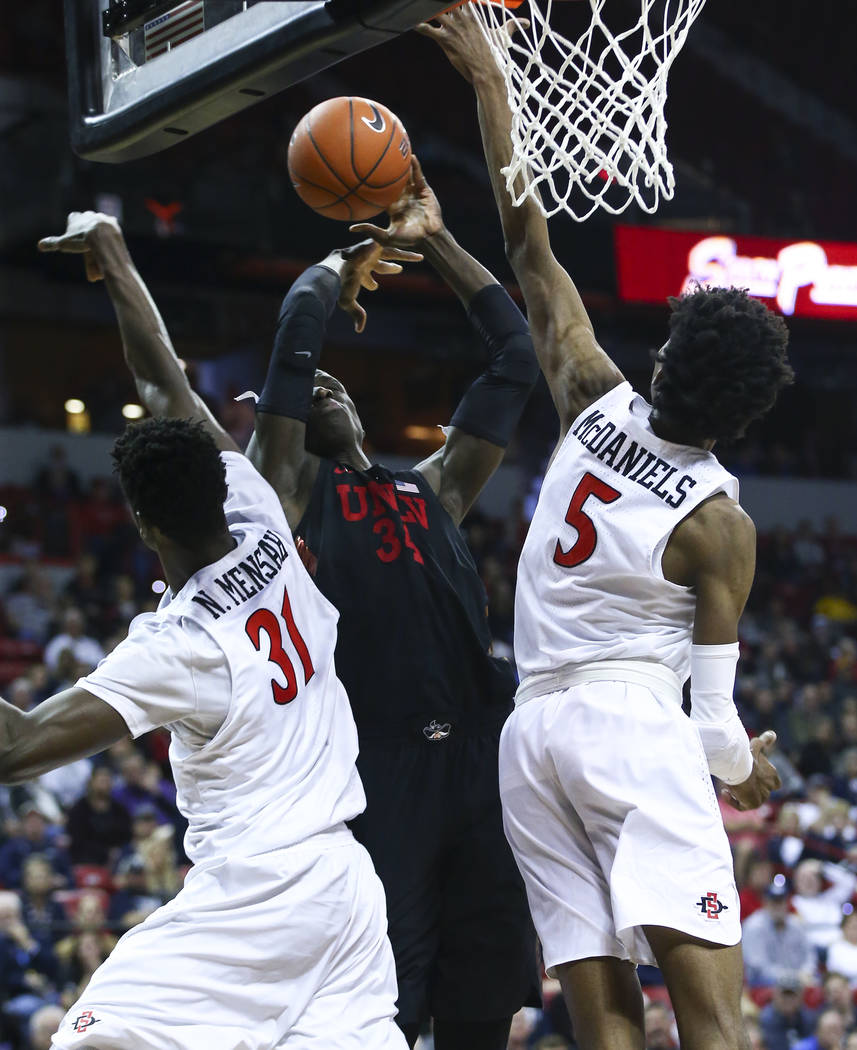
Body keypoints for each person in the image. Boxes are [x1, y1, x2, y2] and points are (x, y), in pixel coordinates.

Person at [422, 10, 793, 1050]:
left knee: (602, 1020)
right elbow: (714, 728)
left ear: (668, 353)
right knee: (711, 1023)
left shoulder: (590, 394)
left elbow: (527, 245)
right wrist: (742, 770)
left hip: (530, 738)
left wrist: (493, 85)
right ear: (743, 412)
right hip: (633, 735)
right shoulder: (717, 524)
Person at [2, 210, 413, 1050]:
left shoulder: (180, 644)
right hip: (344, 880)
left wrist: (110, 257)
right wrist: (115, 253)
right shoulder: (256, 509)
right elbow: (165, 385)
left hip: (257, 900)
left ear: (144, 526)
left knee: (92, 1037)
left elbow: (14, 750)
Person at [252, 157, 542, 1050]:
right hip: (380, 772)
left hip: (476, 760)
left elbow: (515, 358)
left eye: (341, 381)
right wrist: (330, 276)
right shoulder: (291, 498)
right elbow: (292, 353)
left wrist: (436, 240)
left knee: (482, 996)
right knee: (382, 1003)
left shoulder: (433, 487)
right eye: (312, 389)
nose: (326, 385)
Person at [741, 880, 817, 987]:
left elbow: (810, 956)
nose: (777, 906)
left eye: (780, 901)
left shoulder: (796, 924)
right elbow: (759, 968)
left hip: (798, 984)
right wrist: (794, 978)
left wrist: (806, 972)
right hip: (763, 986)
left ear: (786, 903)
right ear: (765, 902)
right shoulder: (753, 926)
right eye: (773, 901)